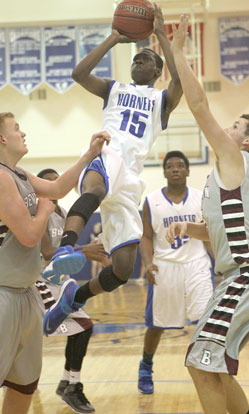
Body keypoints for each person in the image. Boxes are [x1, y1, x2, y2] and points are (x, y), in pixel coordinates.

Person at [42, 4, 183, 335]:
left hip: (132, 176)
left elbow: (181, 79)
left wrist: (161, 33)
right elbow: (78, 74)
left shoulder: (162, 100)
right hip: (108, 151)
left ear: (157, 71)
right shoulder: (113, 89)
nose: (138, 61)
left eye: (145, 59)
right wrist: (113, 38)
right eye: (135, 58)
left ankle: (72, 299)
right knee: (95, 188)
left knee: (121, 269)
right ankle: (66, 248)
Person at [165, 15, 249, 414]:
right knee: (214, 367)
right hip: (237, 276)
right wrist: (191, 227)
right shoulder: (228, 174)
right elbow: (226, 231)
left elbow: (198, 104)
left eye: (235, 125)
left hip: (243, 278)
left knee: (200, 363)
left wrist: (178, 52)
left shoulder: (236, 158)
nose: (227, 128)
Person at [0, 111, 109, 414]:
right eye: (17, 128)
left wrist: (90, 153)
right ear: (2, 138)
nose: (23, 133)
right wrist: (46, 211)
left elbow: (59, 188)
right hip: (3, 293)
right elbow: (27, 235)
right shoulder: (1, 177)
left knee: (24, 384)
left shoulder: (20, 174)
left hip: (26, 291)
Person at [137, 150, 214, 394]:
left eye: (180, 165)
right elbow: (147, 237)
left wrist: (220, 262)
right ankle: (145, 367)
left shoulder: (201, 197)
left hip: (197, 263)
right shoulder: (151, 200)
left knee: (206, 319)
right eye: (170, 166)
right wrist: (148, 264)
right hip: (165, 266)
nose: (175, 169)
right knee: (157, 324)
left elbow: (210, 234)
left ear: (188, 170)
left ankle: (210, 366)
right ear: (165, 172)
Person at [35, 169, 109, 413]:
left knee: (81, 328)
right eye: (46, 182)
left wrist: (83, 249)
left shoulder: (64, 213)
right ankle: (70, 385)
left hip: (59, 283)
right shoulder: (39, 213)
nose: (52, 186)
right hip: (41, 283)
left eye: (55, 181)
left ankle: (68, 383)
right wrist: (85, 250)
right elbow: (47, 254)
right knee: (82, 327)